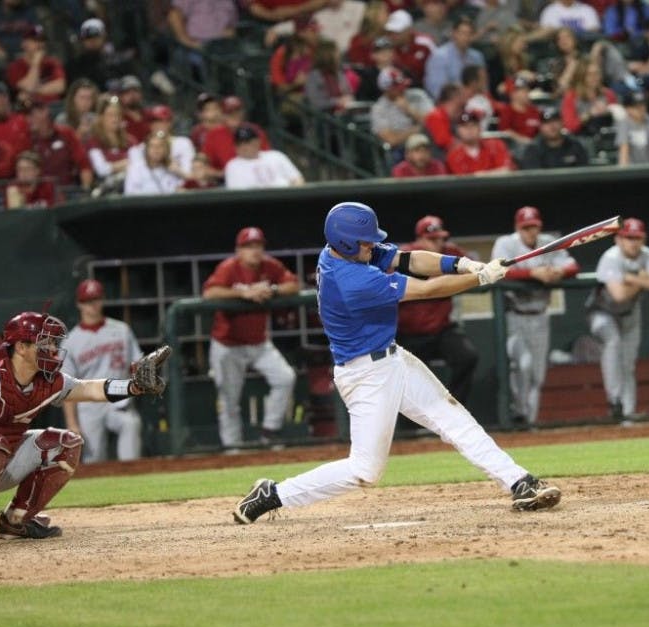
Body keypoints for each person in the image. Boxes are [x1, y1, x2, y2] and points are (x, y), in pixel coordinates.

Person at [230, 202, 561, 524]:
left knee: (455, 419)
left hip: (393, 359)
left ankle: (519, 482)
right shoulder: (352, 280)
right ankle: (273, 494)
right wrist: (482, 278)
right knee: (364, 471)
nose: (372, 245)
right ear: (346, 242)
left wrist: (462, 265)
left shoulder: (341, 250)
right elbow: (426, 290)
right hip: (366, 375)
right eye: (365, 241)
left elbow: (409, 259)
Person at [0, 310, 164, 549]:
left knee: (67, 444)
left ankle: (16, 521)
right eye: (44, 343)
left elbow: (89, 389)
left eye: (53, 343)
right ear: (22, 347)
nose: (53, 350)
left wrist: (133, 387)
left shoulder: (48, 380)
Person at [203, 226, 300, 448]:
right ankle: (233, 447)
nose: (254, 251)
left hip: (258, 342)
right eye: (248, 246)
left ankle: (270, 430)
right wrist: (243, 293)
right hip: (228, 344)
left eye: (258, 246)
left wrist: (272, 289)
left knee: (285, 378)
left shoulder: (269, 266)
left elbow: (293, 284)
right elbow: (209, 293)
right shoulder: (229, 268)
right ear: (239, 250)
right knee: (229, 399)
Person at [491, 206, 580, 425]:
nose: (531, 231)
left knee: (538, 375)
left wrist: (559, 272)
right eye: (526, 227)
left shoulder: (548, 241)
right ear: (518, 228)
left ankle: (529, 423)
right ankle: (518, 410)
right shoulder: (506, 243)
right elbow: (498, 270)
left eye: (534, 227)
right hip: (515, 315)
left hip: (540, 314)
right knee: (523, 364)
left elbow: (573, 265)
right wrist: (532, 273)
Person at [586, 218, 649, 422]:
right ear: (618, 239)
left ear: (643, 239)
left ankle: (628, 414)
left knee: (628, 364)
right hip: (602, 311)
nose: (633, 242)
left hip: (630, 313)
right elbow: (619, 295)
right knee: (613, 344)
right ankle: (615, 401)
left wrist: (633, 279)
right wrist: (645, 281)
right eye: (628, 237)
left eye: (637, 238)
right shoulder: (610, 257)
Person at [396, 215, 480, 406]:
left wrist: (483, 268)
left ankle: (455, 411)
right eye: (432, 239)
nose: (437, 244)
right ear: (419, 239)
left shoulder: (450, 253)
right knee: (406, 377)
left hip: (442, 329)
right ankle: (412, 427)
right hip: (408, 333)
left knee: (467, 357)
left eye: (440, 238)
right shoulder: (405, 256)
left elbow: (475, 263)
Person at [62, 279, 144, 463]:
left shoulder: (121, 330)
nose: (93, 305)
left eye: (96, 299)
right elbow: (66, 387)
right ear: (79, 304)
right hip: (89, 403)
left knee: (131, 424)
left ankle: (133, 477)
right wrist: (72, 423)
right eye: (88, 301)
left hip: (119, 397)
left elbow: (136, 364)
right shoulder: (71, 341)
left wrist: (140, 379)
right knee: (94, 460)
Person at [224, 125, 305, 190]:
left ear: (257, 141)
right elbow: (239, 195)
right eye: (239, 143)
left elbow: (298, 180)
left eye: (247, 142)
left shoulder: (276, 156)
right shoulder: (233, 166)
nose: (244, 146)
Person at [423, 16, 484, 99]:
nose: (466, 37)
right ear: (454, 33)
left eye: (470, 34)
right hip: (448, 104)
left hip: (475, 102)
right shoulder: (439, 56)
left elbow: (483, 86)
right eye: (462, 33)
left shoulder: (477, 57)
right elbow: (437, 91)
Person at [446, 110, 515, 175]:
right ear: (458, 130)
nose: (469, 130)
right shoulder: (454, 156)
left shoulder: (495, 145)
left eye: (473, 125)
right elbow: (463, 182)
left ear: (479, 128)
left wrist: (482, 175)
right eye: (465, 126)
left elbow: (507, 171)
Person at [520, 106, 590, 170]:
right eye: (547, 123)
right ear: (540, 127)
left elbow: (585, 175)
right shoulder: (533, 150)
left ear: (562, 123)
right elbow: (533, 179)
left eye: (555, 121)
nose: (552, 126)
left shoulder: (575, 146)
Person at [615, 89, 649, 166]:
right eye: (636, 107)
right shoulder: (624, 123)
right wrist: (623, 173)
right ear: (627, 109)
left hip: (647, 167)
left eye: (643, 105)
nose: (641, 109)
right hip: (630, 169)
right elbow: (624, 148)